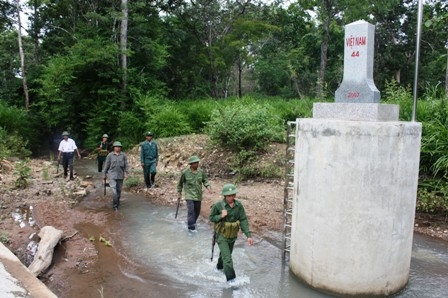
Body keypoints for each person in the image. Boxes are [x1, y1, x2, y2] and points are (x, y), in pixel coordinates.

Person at [209, 183, 253, 282]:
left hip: (232, 236)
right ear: (225, 196)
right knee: (228, 260)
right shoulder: (218, 205)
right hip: (221, 235)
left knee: (225, 256)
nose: (232, 197)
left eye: (233, 195)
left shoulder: (238, 205)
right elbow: (211, 218)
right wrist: (221, 216)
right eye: (229, 195)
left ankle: (218, 268)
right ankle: (232, 282)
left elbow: (243, 220)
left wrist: (248, 236)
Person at [177, 155, 212, 232]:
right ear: (191, 164)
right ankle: (191, 229)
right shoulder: (185, 173)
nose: (197, 164)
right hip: (189, 195)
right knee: (191, 211)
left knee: (197, 211)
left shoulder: (201, 172)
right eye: (195, 163)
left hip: (198, 195)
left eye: (198, 162)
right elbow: (180, 183)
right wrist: (179, 193)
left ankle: (192, 223)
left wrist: (208, 187)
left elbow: (205, 180)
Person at [104, 141, 129, 210]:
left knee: (119, 191)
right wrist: (105, 174)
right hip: (112, 175)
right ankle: (115, 206)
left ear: (120, 148)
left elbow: (126, 165)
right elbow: (106, 165)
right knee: (114, 192)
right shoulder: (110, 155)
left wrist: (127, 173)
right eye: (116, 147)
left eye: (119, 147)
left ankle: (117, 202)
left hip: (120, 175)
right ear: (114, 148)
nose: (117, 148)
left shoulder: (123, 155)